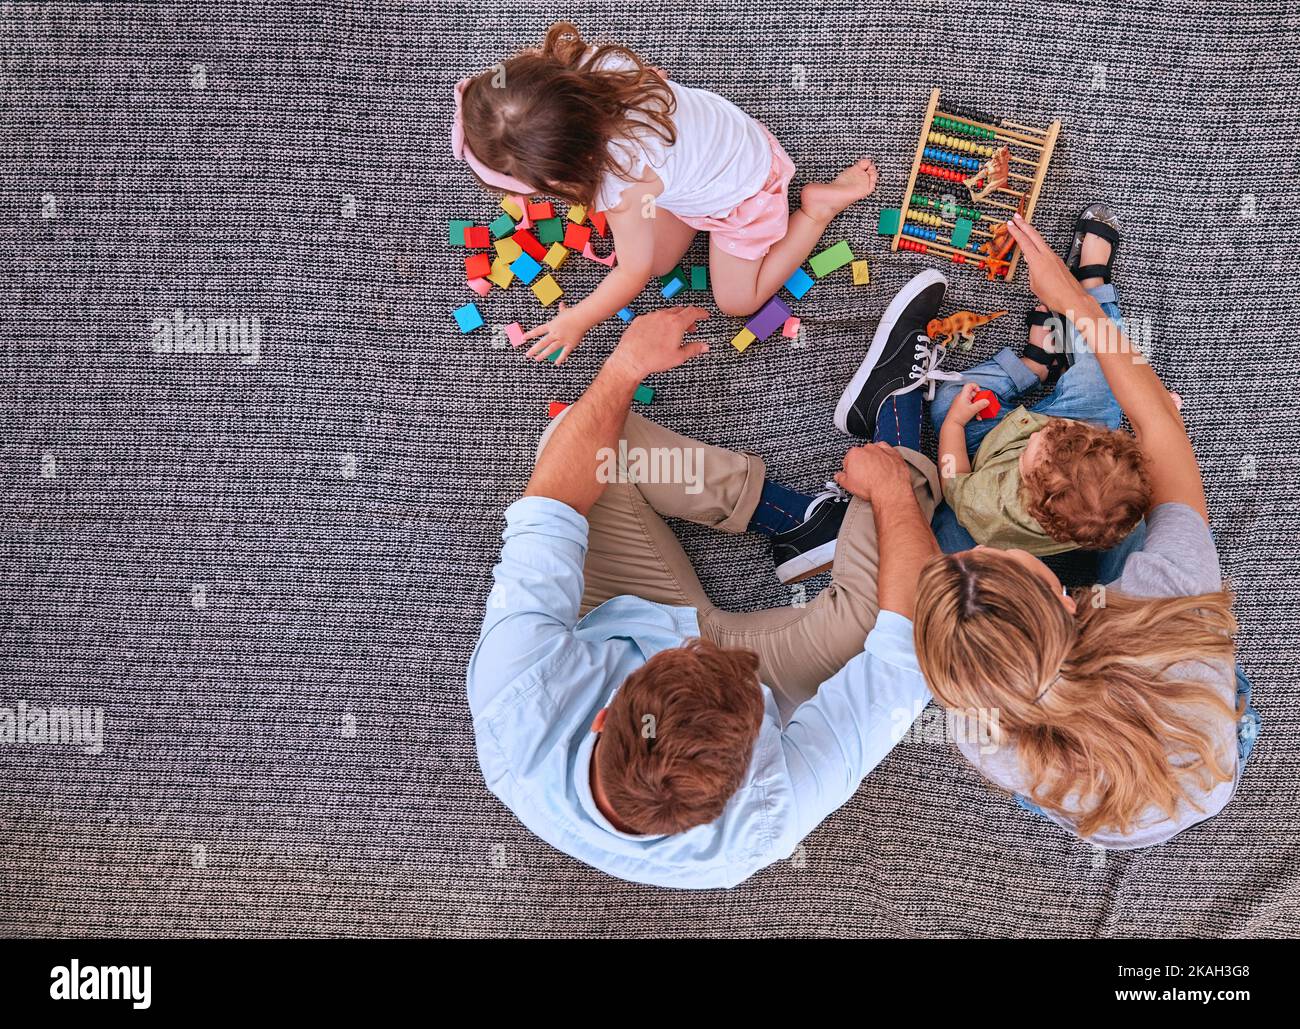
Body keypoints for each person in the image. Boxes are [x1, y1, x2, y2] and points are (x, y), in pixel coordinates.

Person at [466, 305, 941, 888]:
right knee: (910, 605)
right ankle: (897, 420)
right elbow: (905, 655)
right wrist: (891, 492)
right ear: (743, 776)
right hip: (689, 651)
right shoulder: (769, 818)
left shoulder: (515, 690)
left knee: (581, 442)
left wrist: (625, 367)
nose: (696, 644)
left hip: (617, 607)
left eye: (677, 660)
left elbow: (550, 506)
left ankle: (800, 522)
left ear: (601, 716)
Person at [909, 213, 1260, 848]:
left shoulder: (978, 727)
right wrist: (1073, 297)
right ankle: (1094, 303)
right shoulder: (1170, 601)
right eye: (1005, 560)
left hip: (1123, 788)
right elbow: (1161, 432)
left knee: (940, 527)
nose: (986, 549)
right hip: (1193, 745)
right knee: (1136, 457)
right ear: (1061, 595)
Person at [451, 21, 878, 363]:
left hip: (745, 195)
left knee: (736, 300)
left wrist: (580, 317)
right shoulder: (598, 65)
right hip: (708, 150)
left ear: (565, 177)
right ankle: (697, 207)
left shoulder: (622, 188)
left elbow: (629, 273)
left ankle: (816, 211)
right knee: (661, 261)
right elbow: (654, 81)